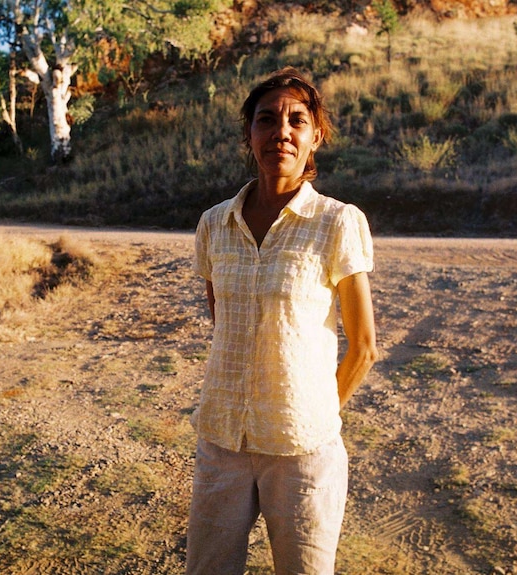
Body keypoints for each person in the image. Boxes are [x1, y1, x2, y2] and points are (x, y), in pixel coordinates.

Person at [186, 67, 379, 575]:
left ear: (317, 135)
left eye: (297, 119)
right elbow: (224, 319)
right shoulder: (214, 223)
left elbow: (363, 347)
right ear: (249, 133)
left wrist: (314, 413)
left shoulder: (338, 222)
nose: (281, 132)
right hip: (222, 441)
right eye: (266, 119)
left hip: (301, 451)